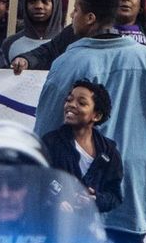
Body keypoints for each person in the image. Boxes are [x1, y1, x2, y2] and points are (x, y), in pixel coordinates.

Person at [31, 0, 146, 243]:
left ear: (89, 17)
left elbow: (46, 130)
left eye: (75, 9)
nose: (72, 17)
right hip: (132, 178)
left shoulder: (67, 62)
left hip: (76, 184)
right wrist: (143, 128)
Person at [38, 78, 126, 221]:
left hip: (88, 232)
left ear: (96, 115)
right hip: (53, 229)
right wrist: (56, 201)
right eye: (69, 100)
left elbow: (115, 196)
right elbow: (36, 181)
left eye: (81, 103)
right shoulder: (50, 143)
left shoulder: (108, 151)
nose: (71, 105)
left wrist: (95, 199)